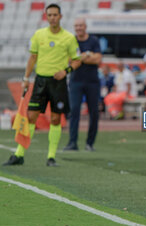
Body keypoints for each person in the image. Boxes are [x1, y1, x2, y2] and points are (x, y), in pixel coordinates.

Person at [3, 4, 81, 166]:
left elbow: (77, 60)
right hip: (40, 81)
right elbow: (32, 58)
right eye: (50, 15)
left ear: (61, 17)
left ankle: (51, 157)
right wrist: (25, 78)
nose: (52, 18)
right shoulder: (39, 35)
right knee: (31, 117)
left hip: (58, 83)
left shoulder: (68, 37)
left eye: (55, 15)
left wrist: (65, 71)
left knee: (55, 118)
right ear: (46, 17)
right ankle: (19, 154)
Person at [63, 18, 102, 152]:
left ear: (85, 26)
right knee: (74, 111)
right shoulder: (71, 41)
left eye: (80, 25)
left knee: (94, 113)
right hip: (76, 81)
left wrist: (79, 58)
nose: (78, 28)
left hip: (92, 82)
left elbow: (98, 59)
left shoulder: (94, 40)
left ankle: (90, 143)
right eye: (76, 26)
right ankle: (72, 142)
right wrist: (85, 56)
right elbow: (69, 60)